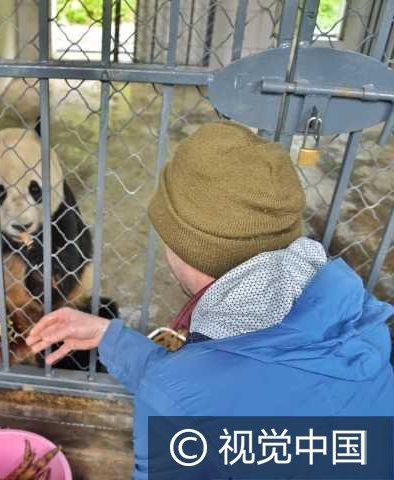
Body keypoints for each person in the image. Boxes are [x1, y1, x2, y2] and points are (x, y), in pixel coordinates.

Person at [26, 121, 394, 478]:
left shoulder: (178, 407)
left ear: (183, 245)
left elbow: (192, 397)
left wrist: (161, 393)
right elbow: (211, 391)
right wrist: (112, 338)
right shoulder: (354, 317)